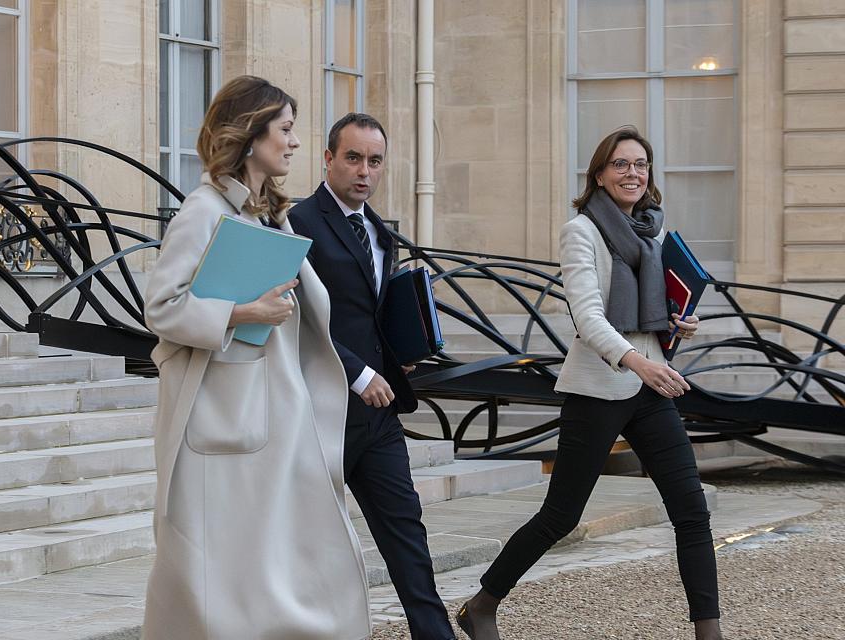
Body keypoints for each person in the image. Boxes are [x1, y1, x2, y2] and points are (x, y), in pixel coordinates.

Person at [456, 125, 724, 640]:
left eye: (640, 164)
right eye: (621, 164)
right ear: (599, 174)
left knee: (692, 510)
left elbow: (652, 310)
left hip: (651, 387)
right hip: (598, 389)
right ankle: (482, 605)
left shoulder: (654, 234)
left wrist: (676, 324)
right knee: (560, 516)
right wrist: (637, 362)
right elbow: (586, 316)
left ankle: (710, 635)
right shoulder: (580, 231)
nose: (632, 173)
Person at [140, 76, 371, 640]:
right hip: (226, 416)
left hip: (276, 411)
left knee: (280, 555)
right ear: (251, 134)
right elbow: (161, 308)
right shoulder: (202, 210)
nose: (294, 142)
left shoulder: (269, 213)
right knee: (224, 568)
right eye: (285, 130)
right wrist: (242, 312)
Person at [288, 113, 456, 640]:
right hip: (320, 410)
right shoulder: (297, 223)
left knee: (408, 535)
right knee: (308, 547)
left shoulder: (380, 230)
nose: (365, 171)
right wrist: (358, 371)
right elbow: (295, 318)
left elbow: (371, 311)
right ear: (328, 158)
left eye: (375, 161)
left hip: (378, 414)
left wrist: (402, 350)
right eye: (354, 158)